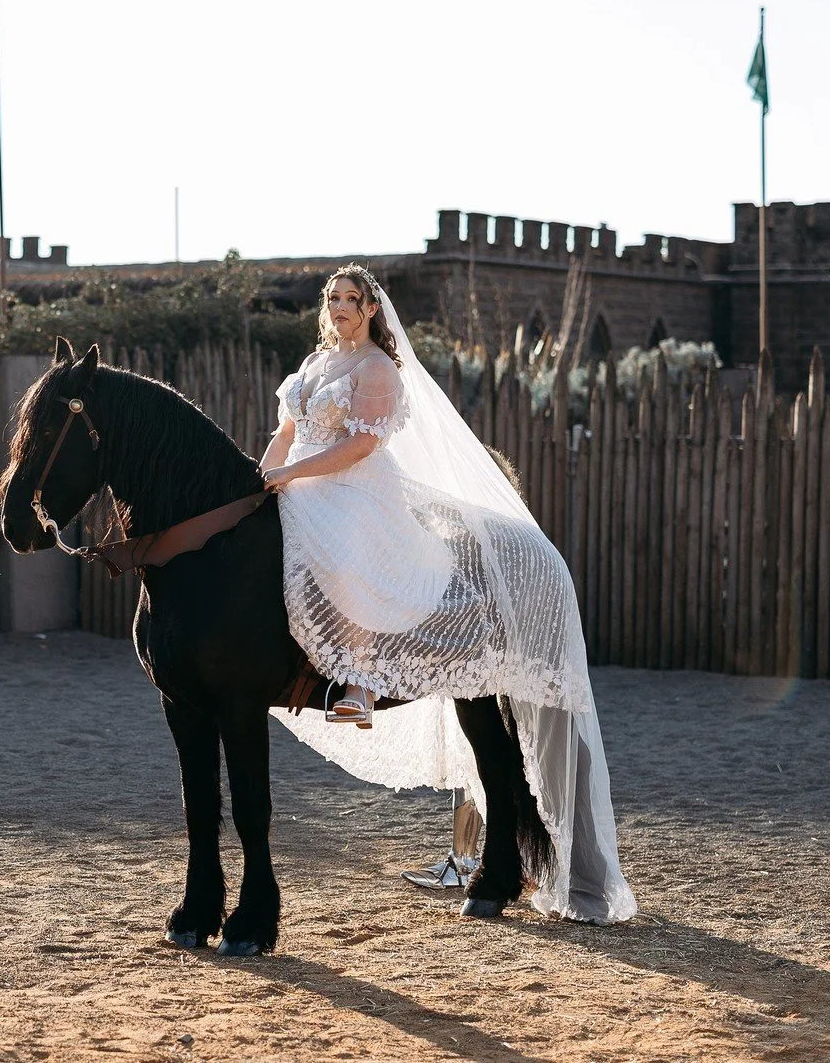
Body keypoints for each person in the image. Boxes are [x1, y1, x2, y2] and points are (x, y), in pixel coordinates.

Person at [258, 265, 635, 923]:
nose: (340, 308)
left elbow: (360, 447)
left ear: (372, 309)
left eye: (352, 300)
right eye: (333, 299)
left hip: (355, 491)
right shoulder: (314, 364)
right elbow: (285, 435)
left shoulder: (376, 370)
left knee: (346, 551)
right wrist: (260, 478)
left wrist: (291, 473)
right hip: (302, 482)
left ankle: (356, 681)